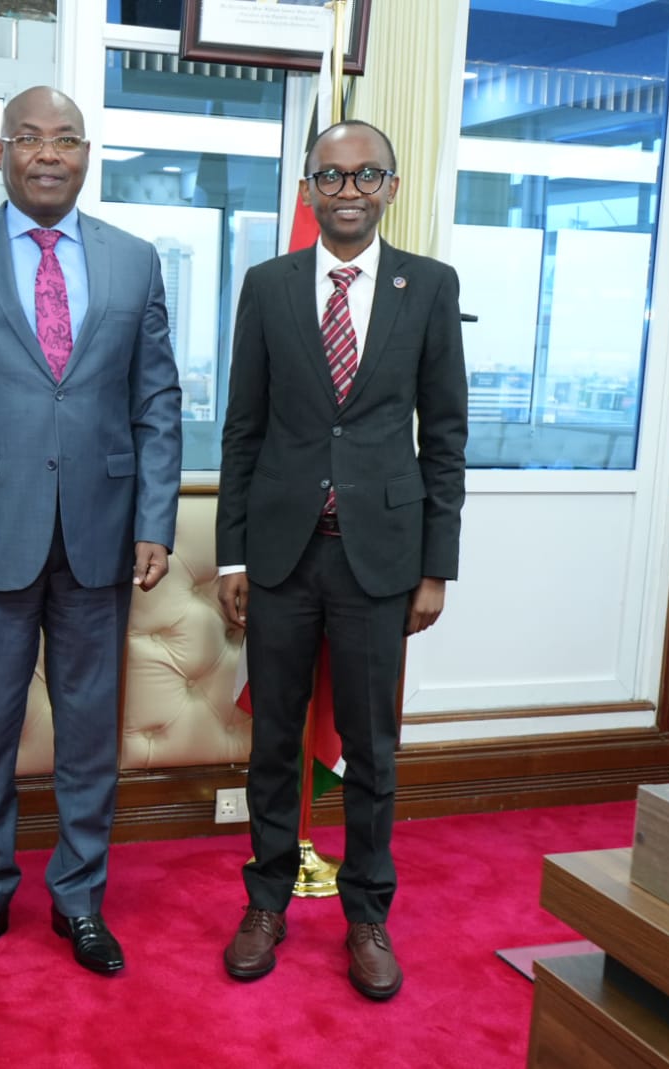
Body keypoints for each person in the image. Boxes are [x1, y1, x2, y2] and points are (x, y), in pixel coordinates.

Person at [0, 86, 182, 977]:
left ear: (87, 155)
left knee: (90, 735)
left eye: (66, 139)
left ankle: (80, 898)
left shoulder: (134, 259)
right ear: (1, 152)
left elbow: (157, 398)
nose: (48, 153)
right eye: (29, 137)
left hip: (102, 534)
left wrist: (156, 518)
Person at [215, 120, 467, 999]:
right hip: (281, 556)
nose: (348, 190)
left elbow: (445, 435)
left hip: (380, 560)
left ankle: (366, 914)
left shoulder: (428, 286)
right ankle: (267, 901)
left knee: (372, 749)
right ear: (308, 190)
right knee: (274, 743)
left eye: (366, 175)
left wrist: (437, 565)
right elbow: (243, 429)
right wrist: (232, 556)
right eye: (331, 175)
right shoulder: (269, 285)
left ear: (390, 187)